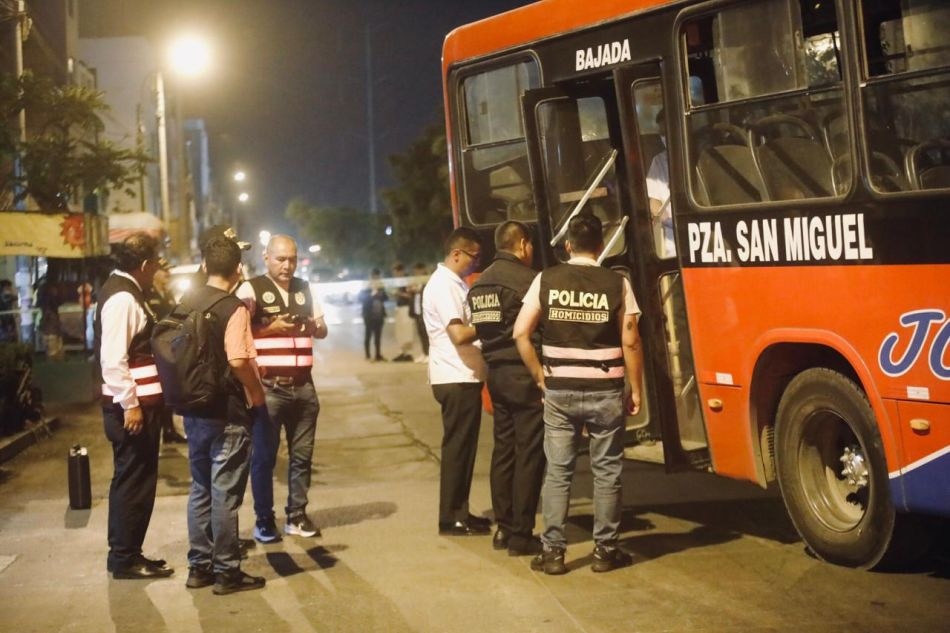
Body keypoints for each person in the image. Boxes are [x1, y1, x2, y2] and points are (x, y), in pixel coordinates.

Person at [513, 213, 644, 574]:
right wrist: (636, 388)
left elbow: (520, 334)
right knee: (607, 471)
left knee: (558, 472)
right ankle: (605, 552)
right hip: (606, 390)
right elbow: (630, 339)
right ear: (601, 246)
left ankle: (553, 553)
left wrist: (541, 376)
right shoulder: (617, 283)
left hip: (560, 392)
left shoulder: (546, 278)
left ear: (568, 245)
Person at [182, 229, 267, 595]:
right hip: (227, 411)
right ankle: (227, 572)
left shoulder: (185, 301)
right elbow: (237, 358)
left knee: (200, 488)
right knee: (225, 493)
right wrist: (256, 391)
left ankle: (199, 567)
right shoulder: (232, 308)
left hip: (193, 409)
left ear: (204, 265)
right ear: (238, 270)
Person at [237, 233, 329, 544]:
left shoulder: (305, 288)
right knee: (264, 457)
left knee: (302, 457)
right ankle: (264, 520)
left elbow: (323, 328)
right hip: (269, 387)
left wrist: (315, 326)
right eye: (280, 259)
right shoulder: (251, 289)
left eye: (292, 259)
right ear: (266, 257)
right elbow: (236, 333)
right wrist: (268, 328)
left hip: (304, 386)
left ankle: (297, 515)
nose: (287, 265)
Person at [95, 232, 173, 580]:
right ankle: (124, 558)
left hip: (140, 406)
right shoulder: (123, 299)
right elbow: (113, 360)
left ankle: (130, 552)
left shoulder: (126, 292)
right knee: (133, 482)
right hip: (131, 410)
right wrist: (130, 405)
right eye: (155, 263)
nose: (157, 269)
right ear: (143, 265)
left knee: (137, 480)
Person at [467, 221, 545, 556]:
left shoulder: (479, 284)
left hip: (495, 374)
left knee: (503, 450)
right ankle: (521, 534)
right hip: (525, 373)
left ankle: (503, 526)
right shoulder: (528, 281)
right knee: (529, 453)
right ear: (523, 244)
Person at [423, 227, 491, 536]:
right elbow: (458, 334)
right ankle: (451, 517)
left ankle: (461, 511)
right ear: (456, 254)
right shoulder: (445, 286)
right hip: (455, 376)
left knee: (464, 449)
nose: (476, 263)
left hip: (462, 374)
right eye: (474, 257)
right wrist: (489, 320)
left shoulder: (454, 284)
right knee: (457, 450)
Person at [147, 258, 186, 444]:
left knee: (168, 390)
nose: (168, 274)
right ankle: (164, 429)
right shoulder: (148, 294)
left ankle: (169, 429)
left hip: (169, 348)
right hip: (155, 349)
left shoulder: (167, 293)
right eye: (164, 271)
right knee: (159, 392)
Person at [646, 108, 675, 258]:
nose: (663, 137)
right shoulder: (659, 161)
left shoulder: (702, 155)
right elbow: (654, 201)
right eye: (661, 134)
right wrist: (668, 221)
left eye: (665, 133)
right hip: (673, 240)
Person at [359, 268, 387, 362]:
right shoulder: (366, 286)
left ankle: (378, 355)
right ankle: (367, 355)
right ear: (371, 276)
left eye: (378, 276)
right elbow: (361, 298)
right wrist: (371, 294)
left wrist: (380, 294)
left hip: (379, 314)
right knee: (368, 335)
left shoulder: (381, 286)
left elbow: (386, 297)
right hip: (369, 315)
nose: (376, 278)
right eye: (375, 276)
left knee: (378, 336)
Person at [391, 263, 414, 362]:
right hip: (399, 307)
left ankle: (407, 353)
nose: (395, 275)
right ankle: (401, 352)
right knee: (399, 331)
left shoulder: (407, 281)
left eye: (396, 273)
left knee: (406, 331)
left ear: (401, 271)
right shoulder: (398, 282)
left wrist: (398, 293)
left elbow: (410, 295)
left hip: (406, 308)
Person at [409, 263, 429, 364]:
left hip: (424, 311)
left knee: (426, 333)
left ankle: (429, 354)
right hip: (417, 311)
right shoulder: (416, 283)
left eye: (417, 271)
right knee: (420, 333)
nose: (416, 273)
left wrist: (417, 290)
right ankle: (424, 353)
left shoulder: (426, 282)